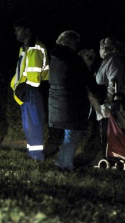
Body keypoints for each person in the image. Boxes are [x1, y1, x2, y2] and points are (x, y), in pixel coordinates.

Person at [49, 30, 98, 171]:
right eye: (76, 43)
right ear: (72, 42)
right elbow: (87, 80)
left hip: (59, 103)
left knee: (69, 136)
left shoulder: (55, 57)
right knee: (73, 136)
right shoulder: (72, 59)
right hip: (72, 104)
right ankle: (65, 164)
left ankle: (62, 162)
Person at [10, 18, 49, 160]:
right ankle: (33, 154)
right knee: (29, 124)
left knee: (33, 124)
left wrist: (23, 88)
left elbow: (33, 76)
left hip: (32, 91)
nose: (15, 33)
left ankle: (36, 156)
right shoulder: (25, 48)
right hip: (26, 91)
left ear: (27, 30)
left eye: (18, 29)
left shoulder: (34, 47)